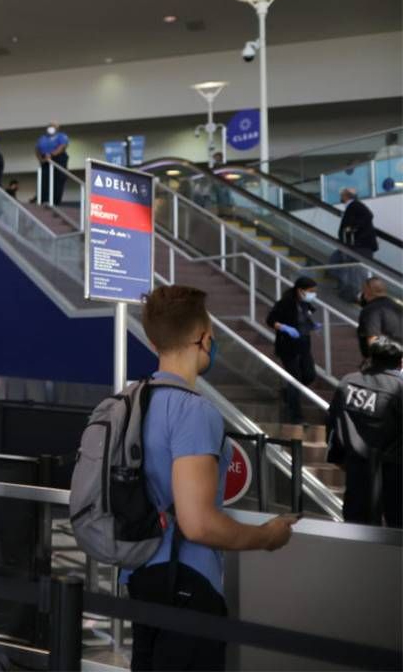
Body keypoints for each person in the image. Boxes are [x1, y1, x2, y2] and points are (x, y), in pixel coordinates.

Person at [123, 285, 295, 671]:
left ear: (154, 341)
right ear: (203, 338)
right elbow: (198, 523)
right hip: (187, 578)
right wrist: (267, 537)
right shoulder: (194, 412)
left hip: (139, 573)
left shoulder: (133, 400)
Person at [326, 336, 402, 527]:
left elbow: (333, 421)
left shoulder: (348, 382)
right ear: (400, 362)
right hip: (394, 471)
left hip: (356, 468)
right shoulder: (399, 388)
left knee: (358, 528)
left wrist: (337, 456)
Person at [266, 278, 320, 424]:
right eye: (311, 291)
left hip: (303, 345)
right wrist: (284, 328)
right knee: (295, 379)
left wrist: (312, 325)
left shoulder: (305, 304)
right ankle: (296, 416)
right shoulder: (285, 303)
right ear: (300, 290)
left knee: (309, 375)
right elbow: (271, 320)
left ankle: (288, 393)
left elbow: (305, 318)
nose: (313, 294)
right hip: (288, 347)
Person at [358, 277, 403, 359]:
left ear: (368, 291)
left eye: (363, 291)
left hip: (385, 364)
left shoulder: (371, 310)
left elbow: (373, 341)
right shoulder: (398, 307)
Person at [338, 187, 379, 259]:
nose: (340, 197)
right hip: (359, 244)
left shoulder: (355, 204)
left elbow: (368, 215)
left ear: (346, 196)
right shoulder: (352, 205)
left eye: (341, 195)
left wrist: (353, 228)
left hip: (361, 244)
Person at [36, 121, 70, 205]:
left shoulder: (61, 136)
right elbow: (37, 149)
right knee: (45, 181)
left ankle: (55, 202)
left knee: (58, 181)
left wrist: (52, 154)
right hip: (45, 160)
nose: (51, 128)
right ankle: (44, 200)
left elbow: (62, 146)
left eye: (53, 126)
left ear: (57, 128)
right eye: (50, 126)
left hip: (58, 159)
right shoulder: (42, 138)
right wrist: (41, 159)